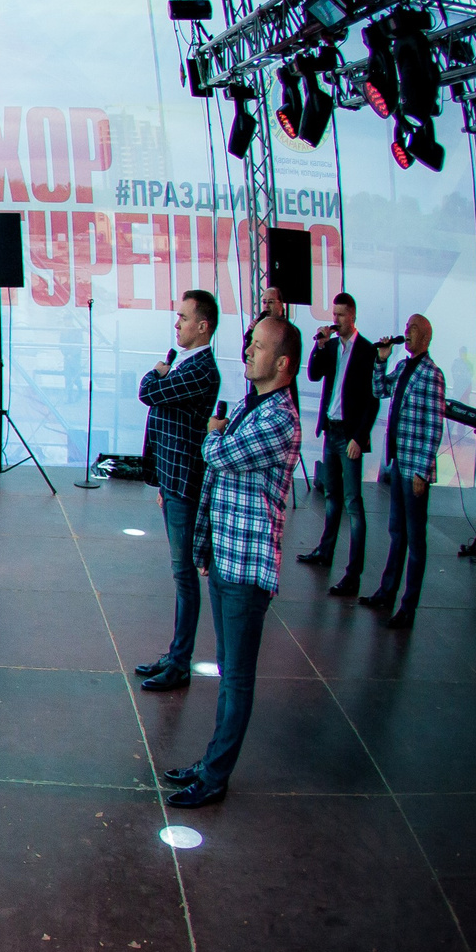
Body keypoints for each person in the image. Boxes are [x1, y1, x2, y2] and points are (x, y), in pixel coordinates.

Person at [161, 315, 304, 808]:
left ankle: (216, 776)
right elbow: (220, 464)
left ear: (282, 363)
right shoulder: (251, 404)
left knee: (237, 679)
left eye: (260, 346)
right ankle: (211, 762)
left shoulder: (279, 417)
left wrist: (214, 434)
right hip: (226, 557)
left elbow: (217, 456)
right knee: (227, 674)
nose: (249, 350)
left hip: (248, 567)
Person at [135, 291, 223, 692]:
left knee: (184, 576)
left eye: (184, 318)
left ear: (202, 326)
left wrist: (156, 373)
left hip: (185, 486)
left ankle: (180, 662)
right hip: (174, 483)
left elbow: (148, 393)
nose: (177, 324)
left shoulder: (200, 369)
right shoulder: (187, 366)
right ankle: (175, 655)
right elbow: (164, 422)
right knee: (180, 575)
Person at [361, 313, 446, 630]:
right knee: (397, 533)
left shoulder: (432, 374)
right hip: (399, 463)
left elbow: (434, 425)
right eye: (406, 327)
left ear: (425, 336)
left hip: (414, 468)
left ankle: (408, 606)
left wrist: (423, 471)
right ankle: (387, 592)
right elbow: (379, 390)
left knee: (415, 538)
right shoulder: (404, 367)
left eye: (412, 329)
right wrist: (381, 361)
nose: (406, 333)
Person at [298, 292, 379, 594]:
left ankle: (353, 573)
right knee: (331, 495)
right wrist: (318, 347)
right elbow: (314, 374)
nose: (336, 320)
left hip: (350, 433)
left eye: (341, 315)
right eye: (334, 314)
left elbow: (373, 400)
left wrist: (360, 437)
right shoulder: (331, 346)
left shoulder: (367, 350)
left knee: (353, 503)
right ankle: (325, 551)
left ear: (353, 316)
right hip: (331, 429)